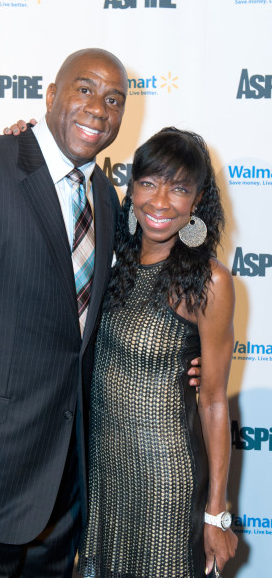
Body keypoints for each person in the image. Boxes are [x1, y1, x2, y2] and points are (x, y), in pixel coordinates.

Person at [0, 49, 201, 578]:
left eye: (113, 100)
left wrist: (187, 359)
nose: (98, 108)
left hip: (65, 492)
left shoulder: (107, 197)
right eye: (84, 89)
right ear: (51, 95)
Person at [74, 128, 238, 577]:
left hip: (166, 481)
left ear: (197, 201)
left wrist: (216, 514)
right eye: (149, 182)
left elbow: (214, 399)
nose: (160, 201)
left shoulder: (210, 282)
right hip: (107, 475)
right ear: (132, 188)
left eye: (179, 188)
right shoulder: (113, 262)